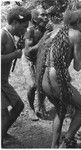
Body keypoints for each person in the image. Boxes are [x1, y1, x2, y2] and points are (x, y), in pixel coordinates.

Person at [35, 9, 81, 148]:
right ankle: (66, 143)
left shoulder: (56, 32)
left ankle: (54, 146)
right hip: (56, 79)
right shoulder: (76, 34)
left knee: (61, 110)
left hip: (44, 78)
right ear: (78, 23)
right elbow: (78, 66)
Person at [1, 6, 31, 145]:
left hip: (3, 81)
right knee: (4, 115)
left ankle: (2, 133)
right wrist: (15, 54)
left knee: (18, 105)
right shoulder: (2, 34)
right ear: (15, 22)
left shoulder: (11, 36)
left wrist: (17, 48)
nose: (25, 30)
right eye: (24, 26)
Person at [22, 7, 53, 120]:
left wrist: (50, 32)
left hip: (40, 59)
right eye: (43, 15)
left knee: (43, 83)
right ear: (35, 19)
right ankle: (31, 108)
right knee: (32, 85)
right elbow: (28, 51)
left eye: (46, 15)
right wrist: (44, 37)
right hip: (28, 59)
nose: (46, 18)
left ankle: (40, 105)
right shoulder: (30, 30)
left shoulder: (47, 28)